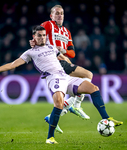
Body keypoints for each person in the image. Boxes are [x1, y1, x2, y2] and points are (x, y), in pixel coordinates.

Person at [0, 26, 123, 144]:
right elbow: (12, 64)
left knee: (93, 88)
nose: (42, 37)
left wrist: (68, 62)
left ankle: (106, 118)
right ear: (34, 38)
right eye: (39, 36)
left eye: (43, 35)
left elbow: (63, 59)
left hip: (65, 76)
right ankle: (50, 137)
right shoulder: (30, 52)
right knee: (59, 104)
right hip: (53, 78)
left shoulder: (51, 47)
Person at [29, 5, 93, 133]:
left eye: (62, 13)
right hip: (54, 63)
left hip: (65, 61)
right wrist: (33, 42)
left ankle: (56, 115)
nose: (60, 15)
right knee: (87, 76)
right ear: (51, 16)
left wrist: (65, 51)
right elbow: (37, 34)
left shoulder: (66, 32)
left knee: (82, 80)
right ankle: (75, 105)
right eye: (57, 13)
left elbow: (73, 53)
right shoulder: (48, 25)